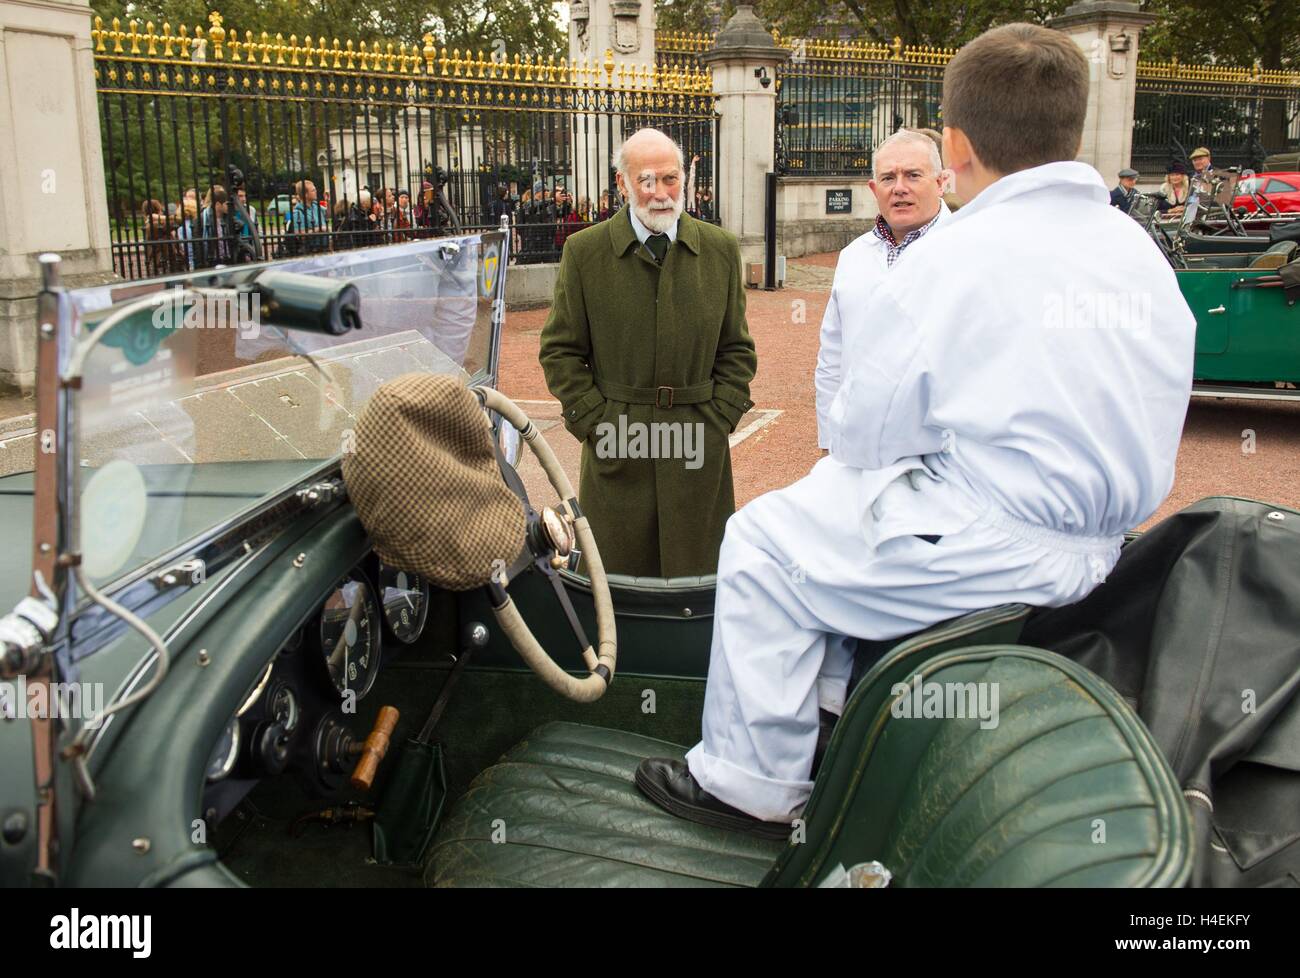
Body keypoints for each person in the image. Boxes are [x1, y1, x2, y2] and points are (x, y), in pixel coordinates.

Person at [633, 22, 1196, 834]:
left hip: (992, 540)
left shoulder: (957, 255)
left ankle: (752, 781)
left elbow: (864, 429)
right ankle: (832, 716)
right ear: (1072, 132)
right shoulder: (1137, 249)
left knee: (763, 540)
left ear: (956, 146)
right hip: (1107, 541)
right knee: (828, 515)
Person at [538, 127, 757, 577]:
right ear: (623, 184)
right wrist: (597, 424)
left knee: (697, 586)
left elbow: (736, 349)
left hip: (698, 442)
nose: (661, 193)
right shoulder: (585, 252)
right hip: (618, 441)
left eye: (671, 178)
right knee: (615, 588)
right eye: (647, 180)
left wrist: (719, 419)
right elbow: (560, 351)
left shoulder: (719, 250)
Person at [816, 129, 950, 451]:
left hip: (939, 454)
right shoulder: (853, 257)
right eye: (888, 178)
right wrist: (830, 444)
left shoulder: (970, 252)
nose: (900, 188)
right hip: (859, 448)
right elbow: (832, 357)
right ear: (874, 189)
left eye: (913, 175)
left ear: (941, 182)